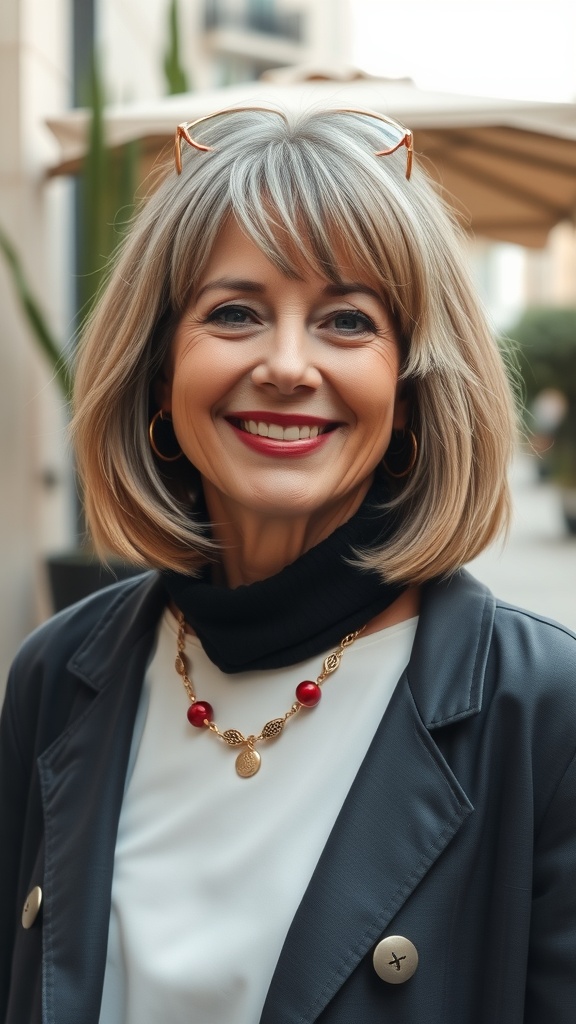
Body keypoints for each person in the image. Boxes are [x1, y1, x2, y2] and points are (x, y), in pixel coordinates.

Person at [1, 106, 575, 1024]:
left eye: (348, 320)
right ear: (157, 373)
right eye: (234, 312)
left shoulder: (545, 711)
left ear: (411, 391)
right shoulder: (57, 676)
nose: (286, 364)